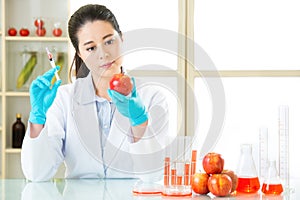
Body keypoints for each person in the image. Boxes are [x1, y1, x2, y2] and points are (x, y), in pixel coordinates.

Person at [21, 4, 170, 181]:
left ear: (122, 39)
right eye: (91, 48)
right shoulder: (64, 99)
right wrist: (37, 118)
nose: (103, 54)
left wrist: (139, 122)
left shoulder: (152, 97)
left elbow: (153, 175)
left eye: (109, 41)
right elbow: (37, 174)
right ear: (80, 54)